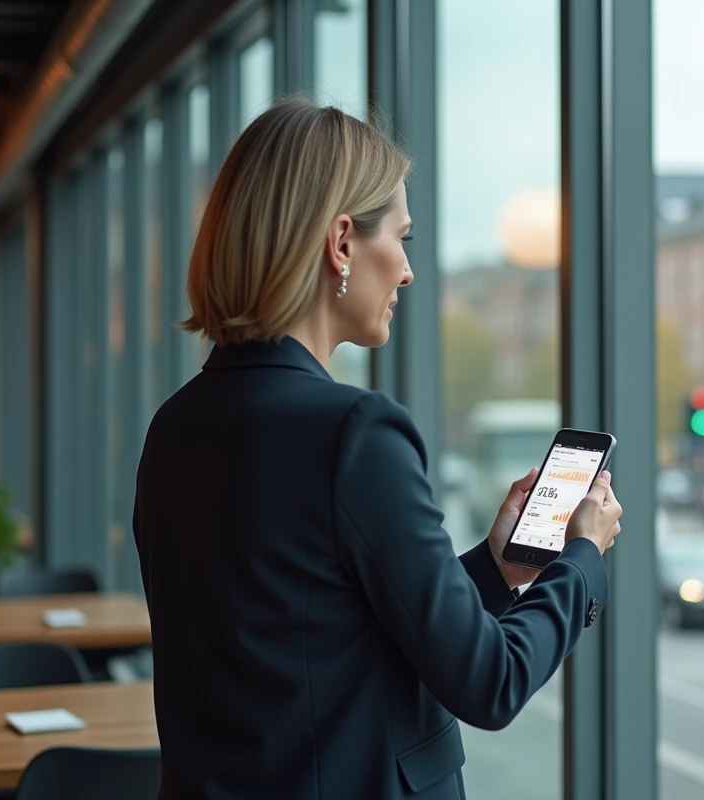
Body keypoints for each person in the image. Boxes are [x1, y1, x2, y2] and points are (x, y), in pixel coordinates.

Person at [132, 98, 623, 800]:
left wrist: (494, 566)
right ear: (340, 243)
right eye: (402, 238)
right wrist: (583, 559)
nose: (407, 272)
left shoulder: (174, 427)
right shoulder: (355, 432)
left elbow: (319, 625)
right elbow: (492, 682)